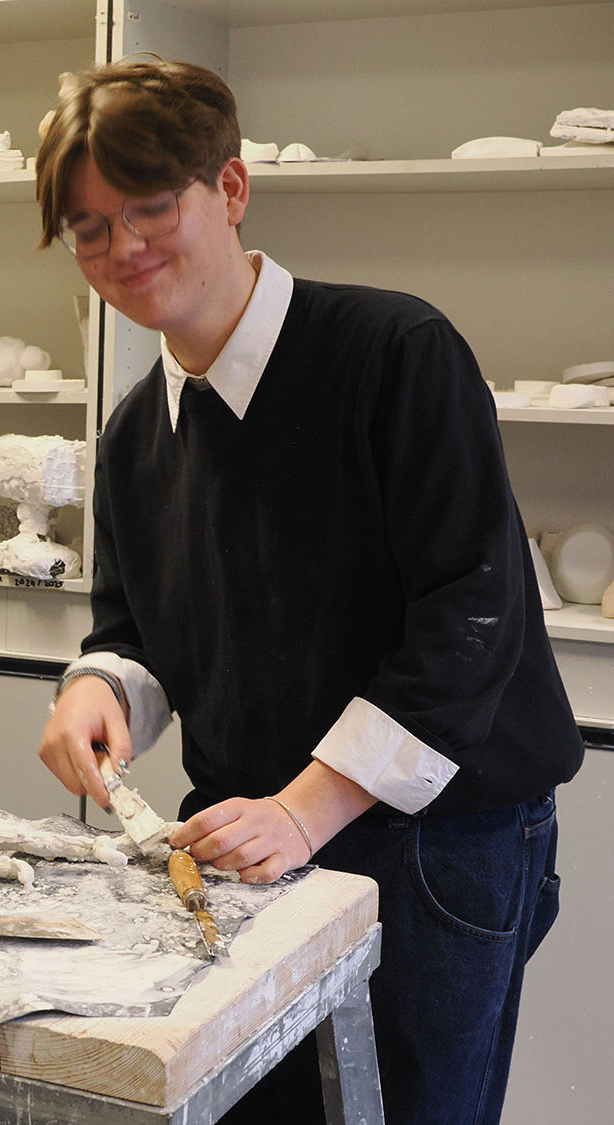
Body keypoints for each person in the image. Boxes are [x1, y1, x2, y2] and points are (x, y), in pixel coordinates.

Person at [33, 58, 583, 1125]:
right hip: (249, 838)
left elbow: (471, 619)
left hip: (433, 846)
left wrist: (306, 808)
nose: (123, 247)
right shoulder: (137, 435)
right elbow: (135, 626)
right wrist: (98, 687)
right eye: (88, 228)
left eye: (151, 206)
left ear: (230, 189)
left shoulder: (394, 354)